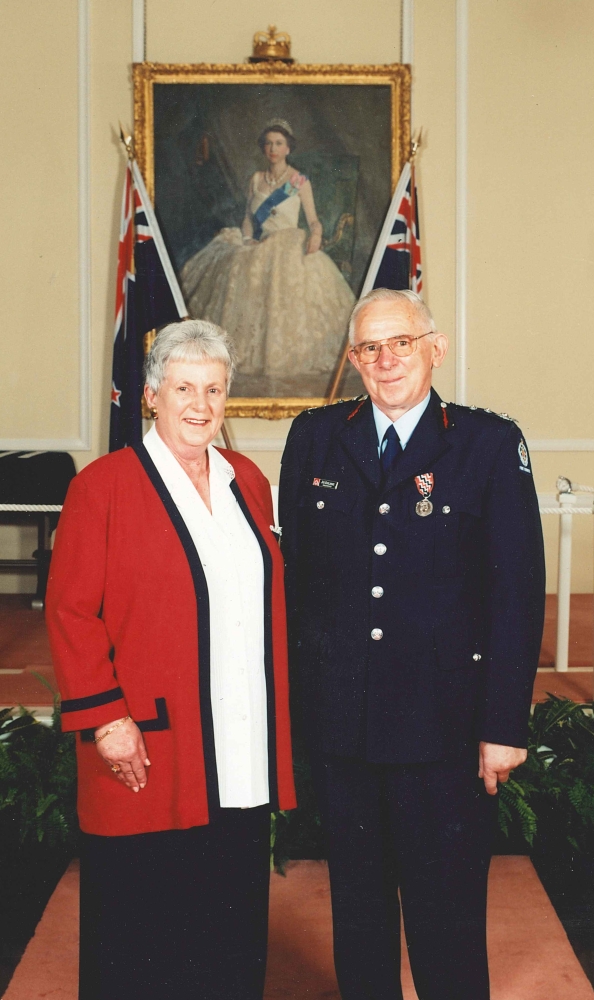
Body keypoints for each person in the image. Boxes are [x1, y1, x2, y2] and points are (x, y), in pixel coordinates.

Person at [279, 288, 545, 1000]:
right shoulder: (315, 437)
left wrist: (502, 726)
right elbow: (298, 589)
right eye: (369, 347)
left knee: (447, 922)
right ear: (353, 359)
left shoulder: (487, 444)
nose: (386, 359)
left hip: (445, 733)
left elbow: (516, 595)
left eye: (401, 342)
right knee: (358, 920)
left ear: (436, 347)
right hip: (346, 732)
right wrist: (301, 726)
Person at [46, 319, 296, 1000]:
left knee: (231, 920)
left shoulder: (249, 481)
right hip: (149, 742)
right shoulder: (102, 486)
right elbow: (70, 612)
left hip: (238, 749)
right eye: (184, 387)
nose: (200, 404)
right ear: (151, 395)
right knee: (139, 926)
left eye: (214, 389)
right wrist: (105, 721)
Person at [180, 119, 355, 397]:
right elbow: (248, 220)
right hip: (258, 244)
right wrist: (248, 238)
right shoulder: (256, 179)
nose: (273, 149)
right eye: (269, 143)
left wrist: (315, 235)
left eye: (279, 143)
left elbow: (313, 220)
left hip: (288, 244)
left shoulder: (299, 181)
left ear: (288, 148)